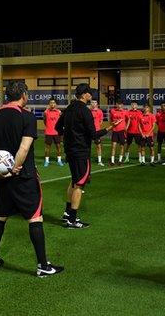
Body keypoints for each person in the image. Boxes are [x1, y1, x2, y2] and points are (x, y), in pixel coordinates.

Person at [0, 80, 63, 277]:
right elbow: (24, 148)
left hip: (2, 179)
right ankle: (43, 266)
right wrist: (15, 168)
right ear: (24, 95)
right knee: (35, 218)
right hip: (24, 176)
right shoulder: (27, 117)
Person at [55, 84, 112, 228]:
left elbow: (57, 128)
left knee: (74, 181)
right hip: (81, 152)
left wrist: (70, 136)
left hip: (70, 150)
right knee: (79, 184)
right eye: (90, 93)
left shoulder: (69, 108)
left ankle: (68, 214)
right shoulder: (85, 111)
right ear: (84, 95)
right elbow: (93, 134)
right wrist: (108, 129)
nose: (91, 96)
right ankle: (72, 219)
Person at [43, 99, 64, 167]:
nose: (52, 104)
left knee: (58, 147)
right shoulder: (46, 112)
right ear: (49, 104)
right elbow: (44, 121)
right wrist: (49, 127)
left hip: (57, 132)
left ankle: (59, 160)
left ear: (56, 104)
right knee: (47, 147)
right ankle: (46, 161)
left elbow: (61, 122)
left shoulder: (59, 112)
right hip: (48, 132)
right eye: (51, 103)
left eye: (53, 103)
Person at [109, 100, 127, 165]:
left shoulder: (125, 111)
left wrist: (126, 127)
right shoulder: (112, 111)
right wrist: (112, 124)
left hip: (122, 131)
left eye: (120, 104)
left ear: (122, 105)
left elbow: (128, 120)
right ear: (116, 104)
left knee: (122, 146)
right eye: (118, 104)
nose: (119, 106)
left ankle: (120, 160)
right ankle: (112, 161)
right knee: (113, 146)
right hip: (115, 131)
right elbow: (110, 119)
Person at [90, 100, 105, 166]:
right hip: (88, 131)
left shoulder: (100, 111)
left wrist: (97, 126)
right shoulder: (88, 111)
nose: (94, 104)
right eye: (92, 102)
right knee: (87, 146)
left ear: (97, 103)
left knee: (98, 146)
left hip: (97, 131)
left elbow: (101, 121)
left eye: (95, 102)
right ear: (90, 103)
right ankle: (86, 160)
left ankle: (99, 161)